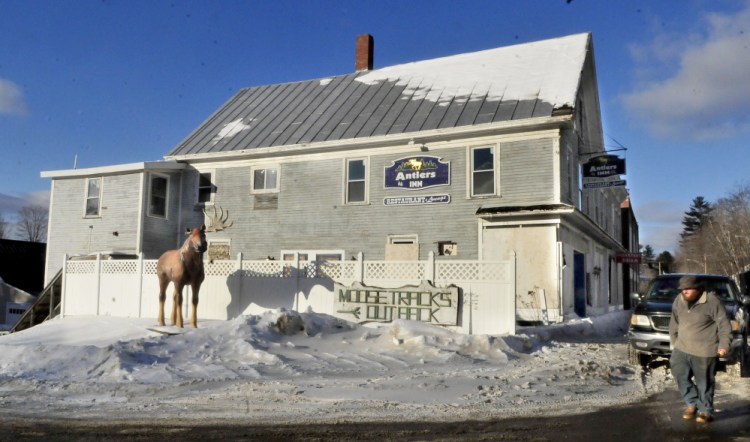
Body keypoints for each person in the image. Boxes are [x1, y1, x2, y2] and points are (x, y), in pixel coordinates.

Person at [669, 275, 731, 423]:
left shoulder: (712, 301)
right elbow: (674, 320)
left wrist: (724, 345)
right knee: (679, 375)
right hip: (681, 348)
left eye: (689, 289)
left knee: (704, 383)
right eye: (683, 289)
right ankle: (692, 403)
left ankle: (705, 410)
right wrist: (674, 340)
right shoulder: (679, 299)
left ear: (699, 289)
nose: (685, 292)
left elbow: (724, 325)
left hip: (705, 350)